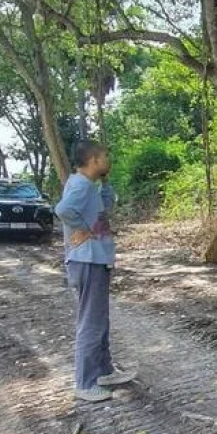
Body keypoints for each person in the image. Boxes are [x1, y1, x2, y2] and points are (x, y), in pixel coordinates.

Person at [55, 141, 135, 402]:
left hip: (95, 260)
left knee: (99, 319)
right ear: (93, 160)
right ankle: (86, 383)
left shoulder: (88, 185)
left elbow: (105, 205)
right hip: (86, 260)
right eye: (105, 157)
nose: (108, 160)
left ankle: (103, 371)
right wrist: (84, 229)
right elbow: (63, 210)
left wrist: (106, 184)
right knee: (91, 322)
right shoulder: (79, 185)